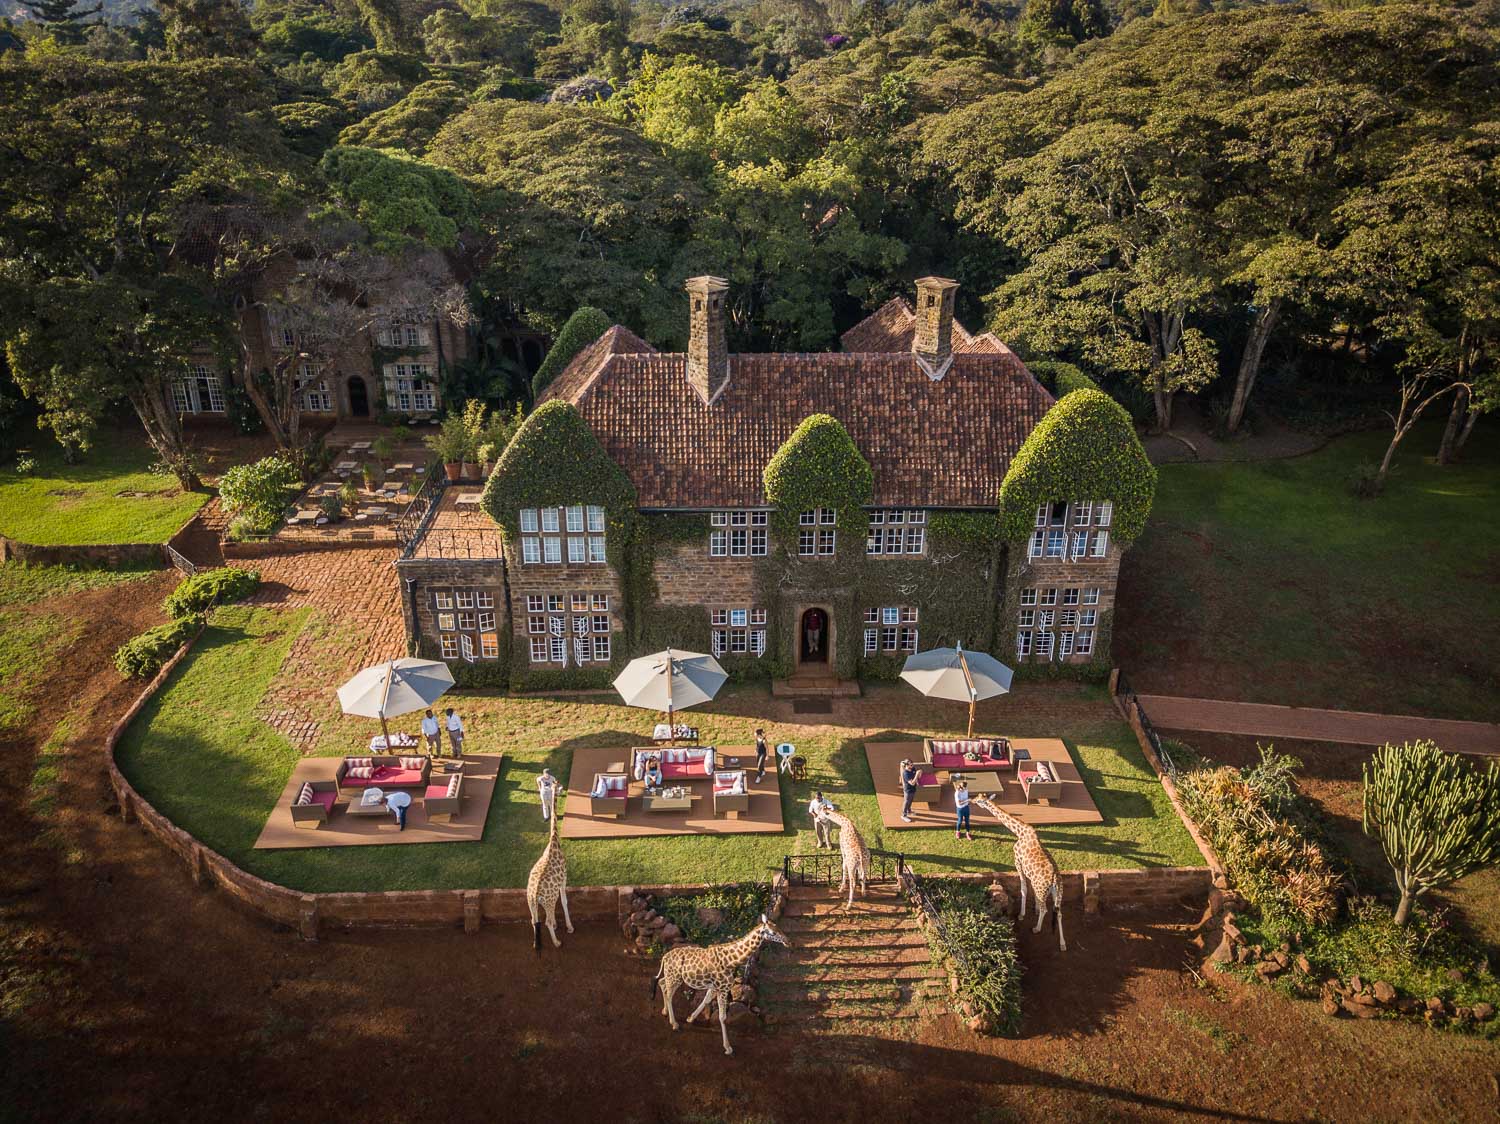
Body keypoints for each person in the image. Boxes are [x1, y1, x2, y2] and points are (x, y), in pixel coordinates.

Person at [899, 758, 920, 823]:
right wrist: (917, 774)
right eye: (910, 765)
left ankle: (909, 811)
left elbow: (914, 777)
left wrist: (917, 779)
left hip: (913, 789)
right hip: (908, 790)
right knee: (906, 802)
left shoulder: (913, 769)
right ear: (907, 766)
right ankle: (903, 815)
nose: (912, 766)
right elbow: (912, 783)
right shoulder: (905, 773)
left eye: (912, 764)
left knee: (910, 801)